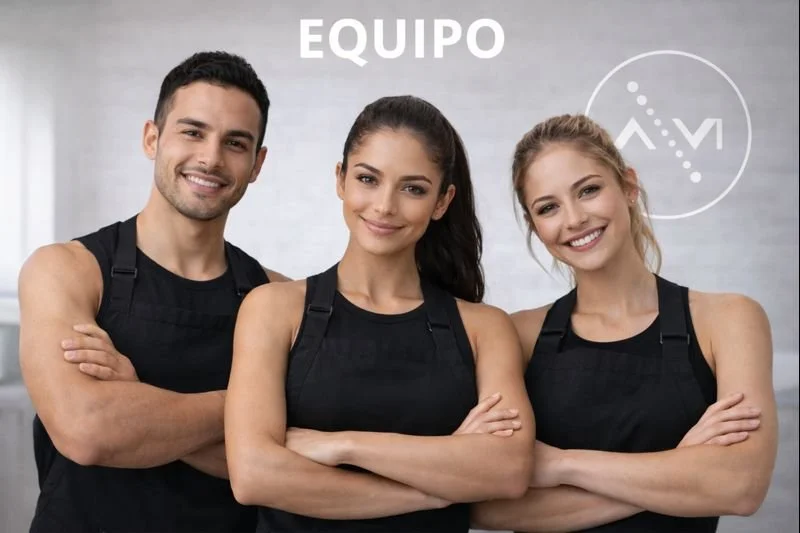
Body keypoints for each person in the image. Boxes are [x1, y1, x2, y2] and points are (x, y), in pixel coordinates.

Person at [224, 95, 536, 532]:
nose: (385, 205)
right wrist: (439, 487)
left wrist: (344, 446)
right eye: (368, 179)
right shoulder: (274, 309)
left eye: (413, 188)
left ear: (442, 201)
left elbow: (508, 470)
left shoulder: (484, 328)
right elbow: (254, 476)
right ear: (341, 178)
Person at [18, 50, 289, 533]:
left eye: (235, 142)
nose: (210, 157)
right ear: (152, 138)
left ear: (257, 163)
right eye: (192, 131)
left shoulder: (279, 298)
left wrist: (137, 398)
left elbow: (289, 467)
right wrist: (252, 410)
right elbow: (87, 430)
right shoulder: (66, 270)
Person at [470, 113, 778, 532]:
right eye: (548, 208)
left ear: (628, 186)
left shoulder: (728, 320)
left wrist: (560, 465)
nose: (575, 218)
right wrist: (680, 469)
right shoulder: (516, 335)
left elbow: (740, 486)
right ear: (535, 227)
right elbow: (484, 508)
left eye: (589, 190)